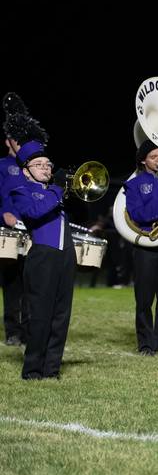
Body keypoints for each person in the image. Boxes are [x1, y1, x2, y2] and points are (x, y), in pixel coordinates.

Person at [10, 127, 77, 380]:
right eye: (39, 165)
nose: (46, 168)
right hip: (42, 256)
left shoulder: (52, 192)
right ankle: (32, 369)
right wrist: (57, 189)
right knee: (40, 314)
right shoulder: (23, 191)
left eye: (48, 164)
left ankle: (51, 369)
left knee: (61, 315)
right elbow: (34, 213)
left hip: (65, 255)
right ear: (26, 170)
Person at [123, 138, 158, 357]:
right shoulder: (134, 184)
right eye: (154, 157)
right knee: (145, 298)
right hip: (147, 244)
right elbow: (137, 214)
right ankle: (146, 344)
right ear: (143, 161)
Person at [0, 93, 31, 346]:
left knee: (31, 279)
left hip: (32, 228)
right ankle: (12, 330)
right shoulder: (2, 165)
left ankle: (30, 326)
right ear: (7, 143)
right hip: (8, 230)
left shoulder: (33, 166)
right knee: (11, 282)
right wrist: (4, 214)